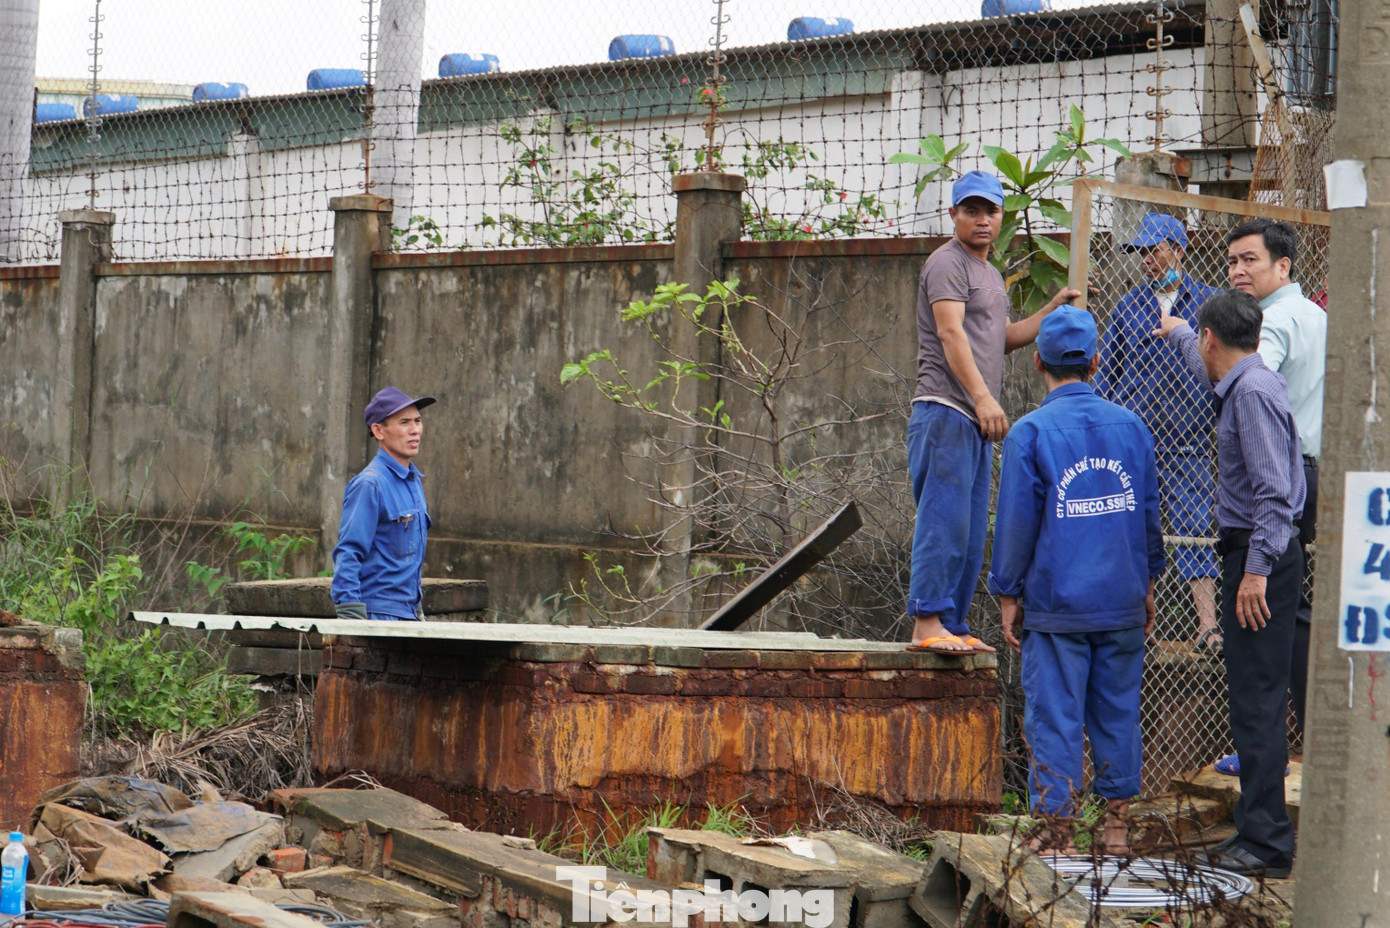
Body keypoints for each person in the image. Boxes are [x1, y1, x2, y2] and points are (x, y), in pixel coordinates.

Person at [989, 306, 1164, 854]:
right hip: (1121, 601)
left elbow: (1017, 522)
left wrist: (1007, 593)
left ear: (1036, 360)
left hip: (1057, 606)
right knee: (1117, 710)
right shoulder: (1131, 426)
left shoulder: (1030, 432)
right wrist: (1148, 585)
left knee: (1056, 716)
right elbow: (1148, 516)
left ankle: (1057, 831)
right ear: (1094, 359)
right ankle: (1116, 827)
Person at [1155, 289, 1306, 878]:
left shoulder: (1253, 395)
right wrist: (1175, 332)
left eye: (1198, 338)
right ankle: (1256, 831)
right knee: (1250, 699)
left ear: (1211, 339)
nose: (1200, 348)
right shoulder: (1247, 381)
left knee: (1259, 702)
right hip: (1252, 552)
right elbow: (1208, 369)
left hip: (1259, 555)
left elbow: (1273, 494)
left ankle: (1267, 845)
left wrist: (1256, 573)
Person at [907, 170, 1080, 655]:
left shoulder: (987, 271)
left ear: (1002, 217)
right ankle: (927, 622)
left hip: (973, 420)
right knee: (944, 521)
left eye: (991, 211)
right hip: (945, 409)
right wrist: (983, 398)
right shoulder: (947, 263)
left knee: (967, 527)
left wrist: (1049, 310)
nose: (983, 220)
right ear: (953, 215)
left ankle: (953, 625)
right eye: (972, 211)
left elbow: (999, 338)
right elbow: (950, 334)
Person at [1212, 218, 1326, 776]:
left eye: (1249, 260)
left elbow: (1255, 381)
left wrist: (1201, 344)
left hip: (1279, 483)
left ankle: (1264, 753)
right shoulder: (1318, 316)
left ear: (1283, 266)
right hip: (1314, 474)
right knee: (1298, 615)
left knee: (1263, 622)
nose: (1238, 270)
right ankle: (1299, 738)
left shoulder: (1270, 324)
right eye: (1232, 260)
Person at [1095, 212, 1221, 653]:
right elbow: (1105, 376)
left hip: (1188, 439)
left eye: (1155, 249)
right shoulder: (1129, 307)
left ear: (1179, 249)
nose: (1148, 259)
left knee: (1194, 530)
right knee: (1131, 531)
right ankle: (1133, 622)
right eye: (1142, 252)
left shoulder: (1209, 303)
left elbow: (1224, 367)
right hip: (1135, 443)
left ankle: (1207, 625)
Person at [331, 386, 437, 622]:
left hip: (407, 615)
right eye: (404, 422)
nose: (415, 430)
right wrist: (351, 618)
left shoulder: (413, 481)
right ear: (378, 431)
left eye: (418, 421)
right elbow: (349, 552)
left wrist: (417, 611)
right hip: (377, 616)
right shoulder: (370, 485)